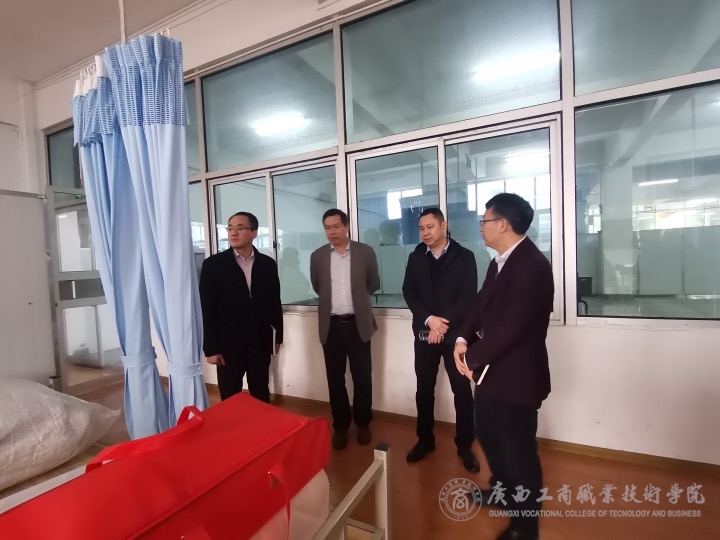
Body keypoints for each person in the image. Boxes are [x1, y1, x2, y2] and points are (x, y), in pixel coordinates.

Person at [454, 193, 553, 540]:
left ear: (503, 225)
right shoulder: (499, 262)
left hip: (516, 380)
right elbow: (480, 305)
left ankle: (526, 528)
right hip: (490, 376)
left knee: (519, 454)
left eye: (484, 221)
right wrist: (462, 339)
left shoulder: (532, 266)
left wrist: (470, 358)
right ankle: (503, 491)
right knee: (490, 438)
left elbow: (512, 328)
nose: (481, 227)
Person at [402, 208, 480, 473]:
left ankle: (465, 445)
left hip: (456, 336)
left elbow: (468, 296)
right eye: (421, 228)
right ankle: (425, 440)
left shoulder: (465, 256)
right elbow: (409, 291)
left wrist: (442, 323)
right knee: (424, 389)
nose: (425, 233)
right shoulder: (415, 257)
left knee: (462, 391)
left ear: (444, 226)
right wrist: (429, 320)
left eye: (430, 227)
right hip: (425, 333)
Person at [310, 208, 380, 450]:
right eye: (327, 227)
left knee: (363, 378)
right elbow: (318, 286)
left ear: (347, 226)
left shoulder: (365, 252)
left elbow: (373, 283)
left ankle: (363, 423)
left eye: (336, 226)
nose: (332, 231)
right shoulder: (318, 256)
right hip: (331, 326)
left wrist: (357, 300)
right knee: (335, 379)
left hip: (358, 325)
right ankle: (340, 426)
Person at [199, 212, 283, 403]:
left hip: (259, 341)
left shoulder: (267, 264)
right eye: (230, 228)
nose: (233, 233)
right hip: (228, 344)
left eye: (240, 228)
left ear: (254, 233)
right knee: (230, 396)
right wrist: (211, 348)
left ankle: (261, 424)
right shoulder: (213, 265)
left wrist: (278, 337)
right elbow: (207, 309)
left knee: (260, 393)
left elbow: (274, 303)